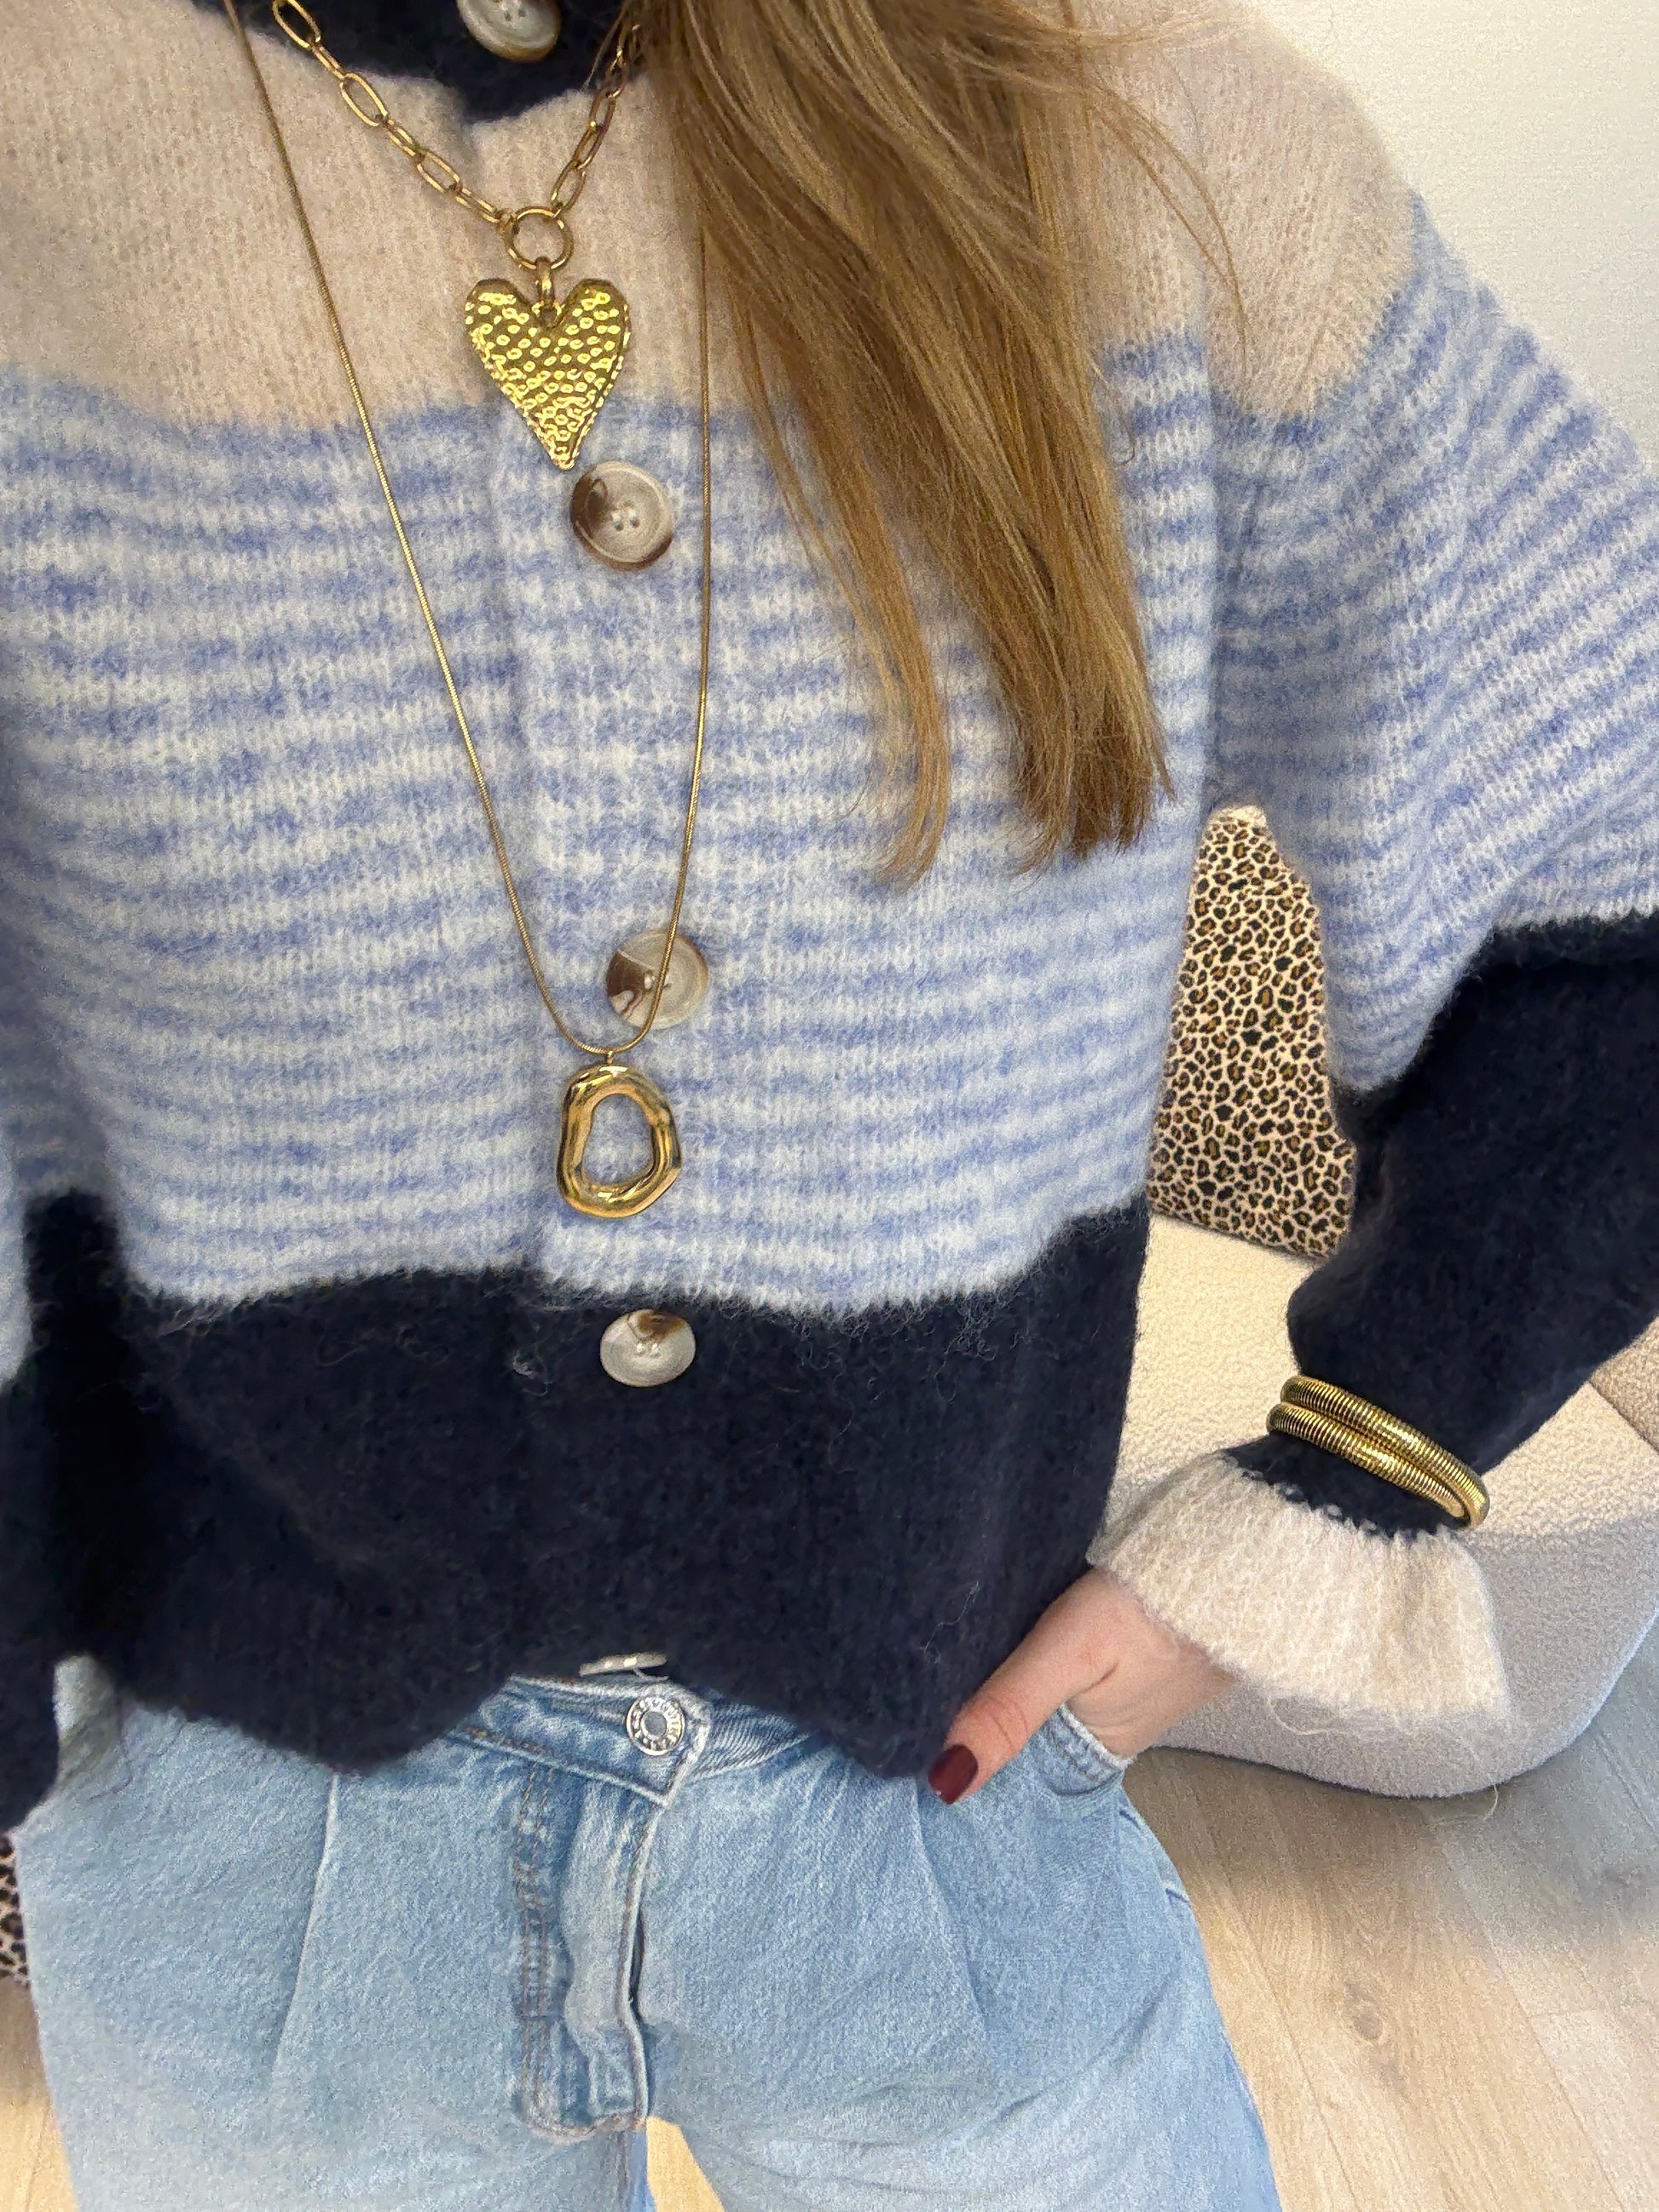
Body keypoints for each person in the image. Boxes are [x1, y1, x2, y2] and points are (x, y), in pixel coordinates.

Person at [3, 0, 1655, 2205]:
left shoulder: (1143, 153)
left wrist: (1331, 1488)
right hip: (245, 1859)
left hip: (929, 1799)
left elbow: (1616, 866)